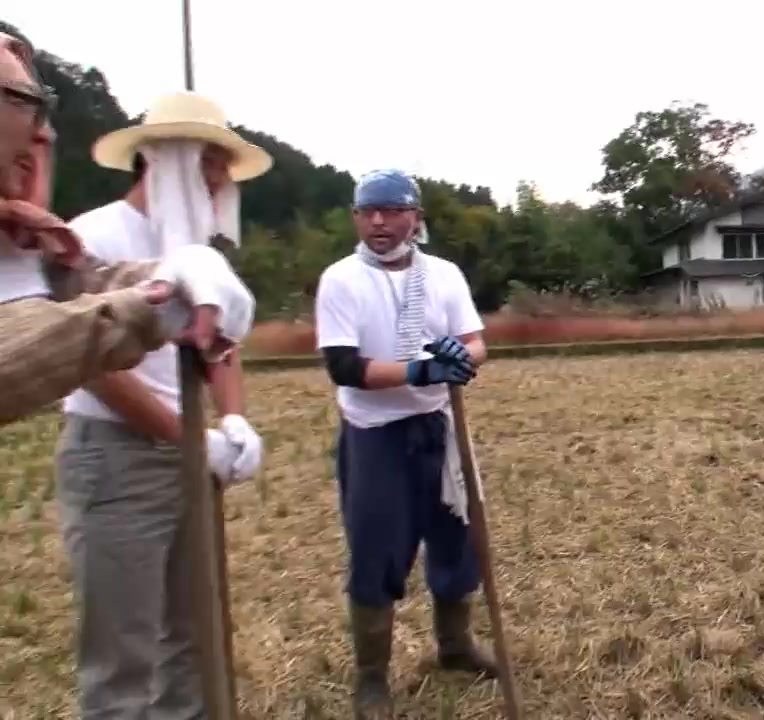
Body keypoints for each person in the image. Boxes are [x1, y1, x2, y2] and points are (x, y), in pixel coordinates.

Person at [54, 89, 272, 719]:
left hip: (189, 455)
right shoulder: (92, 239)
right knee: (124, 652)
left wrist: (233, 419)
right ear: (164, 159)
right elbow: (95, 369)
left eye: (224, 168)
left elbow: (220, 345)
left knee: (194, 636)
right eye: (208, 164)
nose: (219, 180)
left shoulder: (202, 256)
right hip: (118, 460)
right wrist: (188, 437)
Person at [0, 29, 254, 426]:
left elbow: (82, 284)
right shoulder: (97, 230)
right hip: (120, 436)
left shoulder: (41, 243)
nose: (43, 137)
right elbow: (45, 338)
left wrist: (233, 420)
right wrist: (154, 305)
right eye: (18, 101)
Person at [314, 169, 496, 718]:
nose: (378, 222)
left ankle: (456, 647)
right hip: (375, 435)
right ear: (356, 217)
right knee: (377, 548)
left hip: (439, 426)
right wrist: (418, 370)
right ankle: (372, 676)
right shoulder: (341, 279)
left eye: (392, 211)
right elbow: (343, 366)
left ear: (415, 218)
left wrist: (463, 360)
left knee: (456, 536)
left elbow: (474, 341)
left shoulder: (443, 275)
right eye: (367, 211)